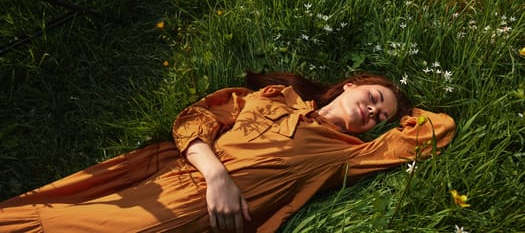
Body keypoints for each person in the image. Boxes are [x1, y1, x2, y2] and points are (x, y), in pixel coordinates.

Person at [0, 71, 456, 233]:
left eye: (382, 116)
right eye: (375, 98)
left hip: (198, 213)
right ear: (352, 84)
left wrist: (409, 110)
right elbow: (197, 118)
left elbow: (438, 130)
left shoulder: (346, 153)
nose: (374, 113)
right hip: (170, 177)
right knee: (57, 212)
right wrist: (216, 173)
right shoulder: (274, 97)